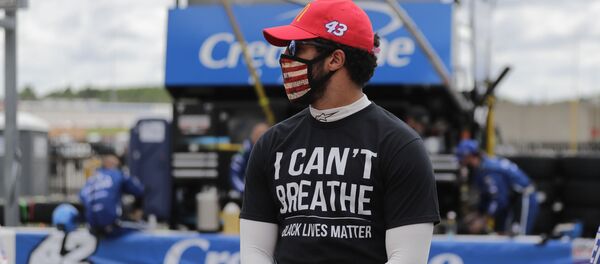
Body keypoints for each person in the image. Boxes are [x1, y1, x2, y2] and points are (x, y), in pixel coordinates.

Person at [240, 1, 440, 263]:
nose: (286, 58)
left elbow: (407, 257)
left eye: (297, 47)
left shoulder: (400, 146)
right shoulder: (271, 144)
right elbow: (255, 251)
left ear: (335, 59)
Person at [456, 139, 539, 235]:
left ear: (470, 156)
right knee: (503, 232)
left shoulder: (489, 170)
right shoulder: (481, 169)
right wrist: (478, 213)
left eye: (463, 158)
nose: (462, 163)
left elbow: (499, 199)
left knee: (520, 234)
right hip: (511, 198)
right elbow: (487, 196)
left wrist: (483, 221)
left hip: (524, 196)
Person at [79, 154, 145, 237]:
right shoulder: (117, 174)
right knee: (144, 227)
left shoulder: (90, 180)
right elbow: (139, 190)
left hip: (92, 229)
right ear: (110, 164)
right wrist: (137, 211)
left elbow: (82, 198)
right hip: (112, 227)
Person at [230, 122, 270, 193]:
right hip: (248, 192)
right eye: (258, 134)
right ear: (253, 135)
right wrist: (244, 190)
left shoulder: (271, 150)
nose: (261, 137)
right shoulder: (245, 149)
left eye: (265, 134)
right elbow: (234, 173)